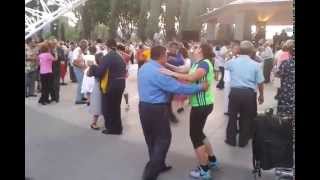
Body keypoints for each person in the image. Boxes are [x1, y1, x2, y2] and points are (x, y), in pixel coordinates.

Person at [138, 45, 209, 180]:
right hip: (157, 109)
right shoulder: (159, 71)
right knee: (163, 139)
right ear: (161, 56)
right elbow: (178, 88)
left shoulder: (145, 67)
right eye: (166, 55)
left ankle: (159, 164)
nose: (168, 57)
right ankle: (150, 174)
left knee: (151, 138)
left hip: (143, 107)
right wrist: (201, 87)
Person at [160, 43, 218, 180]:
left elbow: (192, 78)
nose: (194, 49)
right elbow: (183, 69)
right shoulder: (196, 63)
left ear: (202, 51)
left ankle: (204, 170)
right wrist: (167, 65)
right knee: (200, 134)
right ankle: (212, 160)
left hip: (202, 106)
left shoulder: (204, 64)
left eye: (197, 48)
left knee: (195, 136)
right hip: (202, 104)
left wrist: (171, 73)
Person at [225, 41, 265, 148]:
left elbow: (226, 66)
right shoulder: (256, 65)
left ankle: (231, 140)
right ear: (252, 52)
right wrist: (261, 95)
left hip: (235, 93)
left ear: (239, 50)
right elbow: (260, 82)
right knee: (246, 117)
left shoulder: (232, 62)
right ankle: (243, 141)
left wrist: (232, 55)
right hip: (249, 94)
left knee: (232, 116)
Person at [90, 39, 126, 135]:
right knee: (116, 107)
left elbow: (100, 72)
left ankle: (111, 128)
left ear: (107, 46)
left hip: (111, 85)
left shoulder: (107, 57)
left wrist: (93, 68)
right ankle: (118, 128)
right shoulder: (120, 56)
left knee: (108, 108)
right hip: (121, 83)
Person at [165, 47, 192, 114]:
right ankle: (180, 106)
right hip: (179, 77)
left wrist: (175, 68)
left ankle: (184, 103)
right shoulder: (179, 59)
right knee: (180, 92)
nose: (177, 54)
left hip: (185, 77)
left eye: (179, 53)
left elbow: (185, 69)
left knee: (183, 91)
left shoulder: (187, 60)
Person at [276, 40, 295, 116]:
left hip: (287, 92)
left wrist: (278, 91)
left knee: (286, 114)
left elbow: (278, 76)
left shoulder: (285, 63)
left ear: (289, 52)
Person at [224, 40, 240, 115]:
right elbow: (225, 65)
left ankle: (235, 110)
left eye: (237, 48)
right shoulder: (228, 55)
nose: (236, 50)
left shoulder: (240, 57)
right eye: (234, 48)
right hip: (227, 78)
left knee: (235, 96)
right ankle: (228, 110)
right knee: (227, 94)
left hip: (236, 79)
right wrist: (228, 57)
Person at [71, 40, 88, 104]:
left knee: (83, 82)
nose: (86, 47)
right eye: (86, 46)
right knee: (80, 83)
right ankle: (78, 99)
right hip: (77, 68)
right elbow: (74, 62)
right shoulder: (77, 50)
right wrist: (82, 67)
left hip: (80, 68)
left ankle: (82, 96)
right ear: (82, 45)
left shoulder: (80, 50)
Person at [117, 44, 131, 111]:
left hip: (120, 76)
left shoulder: (116, 56)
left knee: (123, 91)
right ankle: (127, 104)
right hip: (124, 75)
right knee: (124, 91)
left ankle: (126, 104)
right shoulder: (127, 56)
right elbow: (128, 66)